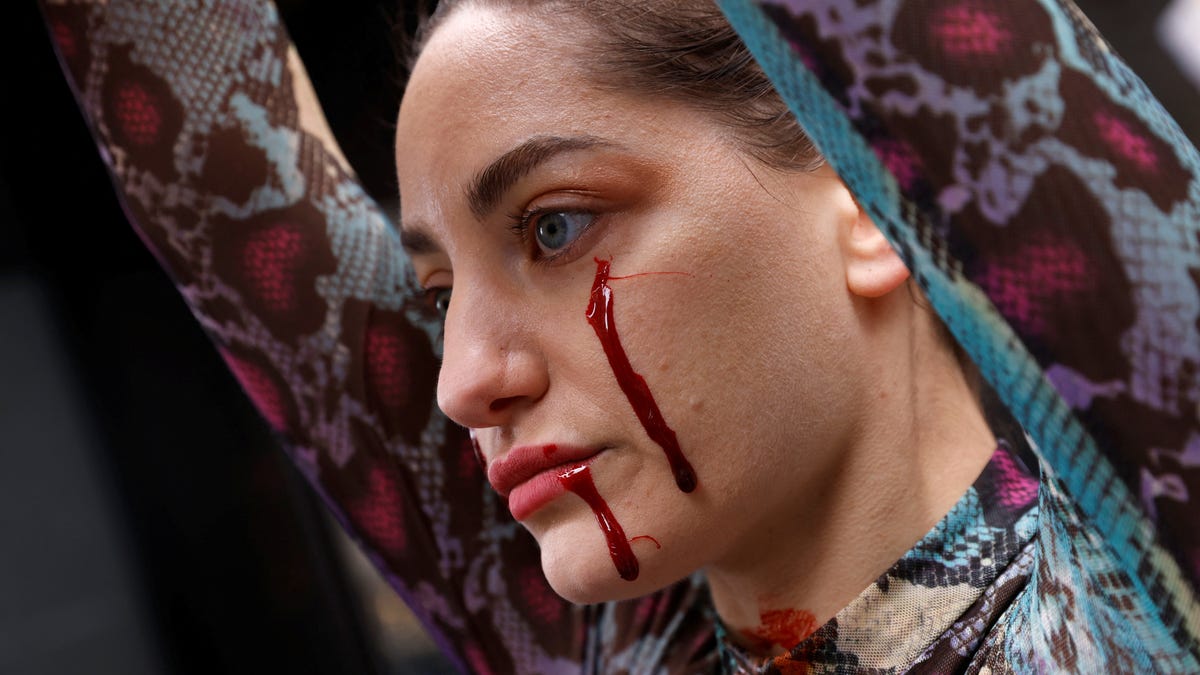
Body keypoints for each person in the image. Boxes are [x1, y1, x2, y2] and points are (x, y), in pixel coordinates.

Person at [42, 0, 1200, 672]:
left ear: (869, 191)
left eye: (554, 227)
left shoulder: (1133, 616)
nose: (459, 384)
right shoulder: (611, 638)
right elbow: (199, 135)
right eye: (441, 295)